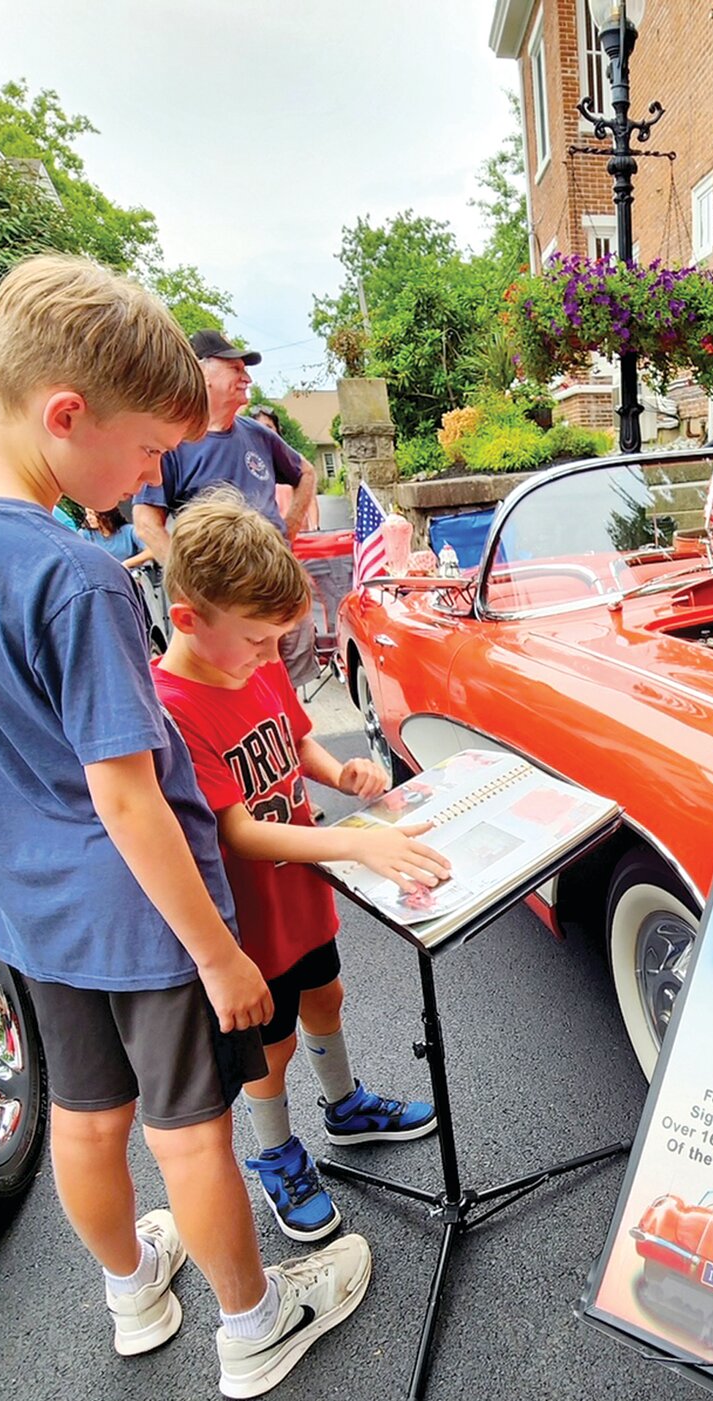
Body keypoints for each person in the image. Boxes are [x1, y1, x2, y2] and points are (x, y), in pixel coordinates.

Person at [0, 254, 371, 1401]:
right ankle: (254, 1320)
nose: (147, 483)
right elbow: (126, 792)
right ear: (64, 413)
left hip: (29, 912)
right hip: (144, 914)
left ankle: (133, 1292)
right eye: (142, 454)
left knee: (84, 1116)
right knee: (188, 1134)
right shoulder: (72, 573)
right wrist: (219, 952)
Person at [152, 494, 451, 1242]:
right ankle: (277, 1150)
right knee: (271, 1043)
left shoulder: (253, 662)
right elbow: (238, 832)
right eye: (257, 641)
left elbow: (294, 741)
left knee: (327, 993)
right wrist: (355, 842)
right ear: (189, 620)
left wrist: (338, 776)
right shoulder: (173, 706)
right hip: (250, 911)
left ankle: (345, 1107)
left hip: (303, 889)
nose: (267, 655)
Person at [131, 330, 318, 684]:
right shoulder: (175, 442)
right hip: (225, 612)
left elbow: (305, 472)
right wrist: (194, 585)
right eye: (235, 368)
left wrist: (285, 532)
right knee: (226, 690)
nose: (246, 377)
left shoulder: (258, 435)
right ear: (202, 374)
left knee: (282, 690)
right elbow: (146, 523)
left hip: (275, 590)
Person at [247, 404, 297, 522]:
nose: (263, 432)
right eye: (258, 427)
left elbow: (306, 483)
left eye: (268, 427)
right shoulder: (245, 460)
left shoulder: (288, 460)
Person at [82, 503, 154, 569]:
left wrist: (126, 564)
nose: (88, 518)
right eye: (87, 514)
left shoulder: (129, 530)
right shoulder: (86, 534)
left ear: (105, 514)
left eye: (91, 514)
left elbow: (152, 551)